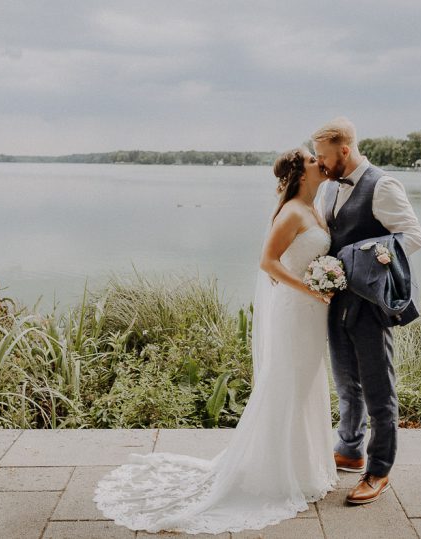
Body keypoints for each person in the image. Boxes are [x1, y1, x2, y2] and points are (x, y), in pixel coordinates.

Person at [94, 147, 338, 534]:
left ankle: (304, 468)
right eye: (312, 160)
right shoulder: (291, 211)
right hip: (295, 309)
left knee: (306, 385)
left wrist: (326, 279)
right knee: (286, 385)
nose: (318, 162)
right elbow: (268, 262)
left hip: (312, 312)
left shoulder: (318, 208)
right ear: (300, 173)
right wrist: (311, 287)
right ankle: (274, 473)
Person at [312, 116, 421, 505]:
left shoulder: (383, 185)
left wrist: (366, 259)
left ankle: (378, 470)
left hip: (371, 304)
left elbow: (411, 236)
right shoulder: (328, 188)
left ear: (345, 149)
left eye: (324, 156)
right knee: (346, 384)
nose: (320, 163)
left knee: (379, 390)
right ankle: (349, 448)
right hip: (336, 301)